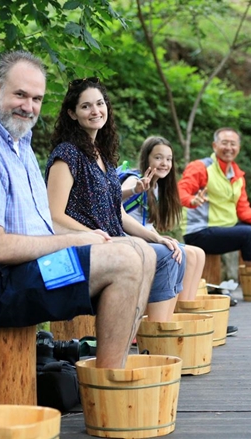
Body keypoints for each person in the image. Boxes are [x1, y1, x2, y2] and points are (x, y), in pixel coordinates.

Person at [0, 52, 154, 369]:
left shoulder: (17, 144)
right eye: (20, 94)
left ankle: (110, 376)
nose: (29, 106)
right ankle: (111, 384)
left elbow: (42, 226)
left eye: (36, 98)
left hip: (25, 273)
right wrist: (74, 241)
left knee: (138, 250)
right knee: (124, 262)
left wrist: (91, 236)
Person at [45, 78, 184, 322]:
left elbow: (117, 214)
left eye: (100, 103)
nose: (95, 111)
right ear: (72, 114)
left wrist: (157, 237)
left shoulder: (103, 156)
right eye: (86, 106)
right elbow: (54, 215)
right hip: (85, 247)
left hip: (113, 240)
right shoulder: (66, 154)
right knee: (162, 257)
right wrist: (99, 236)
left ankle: (155, 336)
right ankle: (150, 337)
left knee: (172, 250)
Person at [118, 136, 206, 302]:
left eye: (168, 159)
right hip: (127, 239)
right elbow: (115, 201)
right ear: (146, 158)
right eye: (158, 158)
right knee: (182, 255)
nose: (164, 163)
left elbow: (145, 223)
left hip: (144, 238)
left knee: (198, 254)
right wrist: (135, 190)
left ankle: (186, 310)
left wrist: (160, 237)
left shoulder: (158, 187)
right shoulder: (134, 180)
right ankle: (174, 313)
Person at [178, 127, 251, 268]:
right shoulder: (200, 167)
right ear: (214, 146)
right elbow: (180, 191)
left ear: (239, 147)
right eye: (224, 143)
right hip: (200, 231)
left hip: (227, 228)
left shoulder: (238, 175)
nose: (229, 147)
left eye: (233, 144)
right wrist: (191, 200)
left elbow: (243, 210)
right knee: (249, 234)